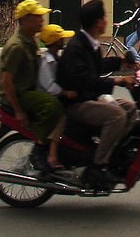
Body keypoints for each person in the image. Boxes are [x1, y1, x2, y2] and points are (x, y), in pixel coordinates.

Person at [57, 0, 139, 188]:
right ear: (97, 22)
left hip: (89, 97)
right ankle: (98, 166)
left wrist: (120, 63)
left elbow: (97, 67)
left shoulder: (90, 43)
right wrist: (117, 80)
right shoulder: (77, 47)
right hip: (77, 102)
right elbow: (85, 79)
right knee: (117, 116)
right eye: (104, 17)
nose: (107, 21)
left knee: (131, 109)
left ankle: (110, 151)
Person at [0, 0, 63, 174]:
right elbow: (6, 81)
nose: (42, 21)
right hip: (18, 94)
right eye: (38, 17)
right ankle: (39, 150)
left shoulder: (30, 41)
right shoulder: (17, 46)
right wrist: (18, 110)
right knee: (52, 104)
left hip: (27, 90)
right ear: (25, 20)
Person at [37, 23, 77, 170]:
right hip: (47, 99)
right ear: (55, 42)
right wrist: (66, 93)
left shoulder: (56, 58)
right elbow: (49, 86)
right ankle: (52, 154)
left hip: (54, 96)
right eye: (61, 38)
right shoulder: (46, 62)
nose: (63, 41)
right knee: (62, 115)